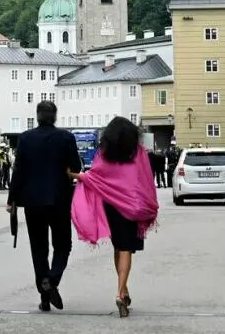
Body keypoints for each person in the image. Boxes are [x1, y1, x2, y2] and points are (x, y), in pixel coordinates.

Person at [68, 116, 159, 318]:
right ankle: (120, 292)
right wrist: (149, 204)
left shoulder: (104, 154)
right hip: (132, 207)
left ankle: (124, 289)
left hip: (110, 206)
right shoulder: (139, 153)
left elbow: (95, 176)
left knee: (118, 247)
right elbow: (146, 180)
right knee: (127, 248)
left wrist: (75, 175)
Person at [7, 101, 81, 313]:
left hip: (32, 201)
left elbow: (18, 170)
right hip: (59, 200)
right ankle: (52, 279)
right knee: (63, 245)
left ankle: (44, 296)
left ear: (37, 116)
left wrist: (12, 199)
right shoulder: (66, 137)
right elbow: (76, 166)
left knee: (38, 248)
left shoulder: (25, 138)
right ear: (55, 116)